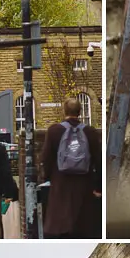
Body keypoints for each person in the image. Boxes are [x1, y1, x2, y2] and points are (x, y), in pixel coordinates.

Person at [39, 96, 102, 238]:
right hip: (84, 188)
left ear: (64, 111)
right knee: (84, 229)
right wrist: (98, 188)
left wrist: (47, 178)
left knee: (60, 229)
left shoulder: (54, 131)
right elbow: (98, 160)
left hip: (60, 187)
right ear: (80, 112)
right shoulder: (90, 132)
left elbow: (46, 159)